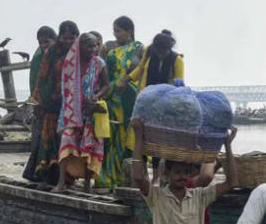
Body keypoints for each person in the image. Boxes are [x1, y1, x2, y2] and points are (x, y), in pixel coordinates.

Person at [124, 30, 185, 182]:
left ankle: (156, 176)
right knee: (142, 138)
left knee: (158, 140)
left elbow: (179, 82)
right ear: (155, 48)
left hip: (164, 105)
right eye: (160, 50)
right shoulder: (149, 53)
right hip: (146, 102)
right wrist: (127, 79)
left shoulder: (177, 60)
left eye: (165, 50)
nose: (162, 54)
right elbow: (141, 69)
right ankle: (142, 173)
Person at [53, 33, 110, 193]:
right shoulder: (71, 63)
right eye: (89, 46)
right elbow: (64, 87)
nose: (93, 49)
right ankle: (62, 181)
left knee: (88, 147)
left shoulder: (99, 63)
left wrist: (96, 97)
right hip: (72, 111)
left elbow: (107, 85)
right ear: (80, 46)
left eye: (95, 45)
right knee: (66, 142)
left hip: (90, 111)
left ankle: (86, 185)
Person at [97, 16, 145, 188]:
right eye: (114, 30)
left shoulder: (139, 48)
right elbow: (102, 70)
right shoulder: (109, 47)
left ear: (129, 31)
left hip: (129, 97)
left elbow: (140, 71)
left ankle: (122, 178)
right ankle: (106, 177)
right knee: (110, 137)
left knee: (126, 137)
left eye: (118, 30)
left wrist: (124, 81)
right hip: (111, 96)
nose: (115, 34)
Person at [32, 20, 79, 187]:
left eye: (72, 38)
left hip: (72, 104)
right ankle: (47, 176)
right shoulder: (52, 52)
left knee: (68, 140)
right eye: (65, 38)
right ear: (60, 37)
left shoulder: (79, 52)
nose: (68, 41)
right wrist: (40, 101)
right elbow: (42, 77)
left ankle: (68, 177)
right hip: (52, 102)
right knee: (49, 139)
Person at [23, 26, 57, 182]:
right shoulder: (38, 57)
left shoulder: (59, 54)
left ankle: (52, 175)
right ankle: (37, 172)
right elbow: (35, 83)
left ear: (54, 39)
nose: (44, 45)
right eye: (40, 42)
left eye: (47, 41)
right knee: (39, 140)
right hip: (41, 104)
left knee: (53, 141)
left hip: (56, 105)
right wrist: (36, 103)